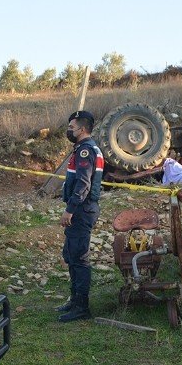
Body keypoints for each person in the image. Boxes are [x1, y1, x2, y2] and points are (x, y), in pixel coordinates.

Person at [56, 110, 103, 322]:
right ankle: (74, 300)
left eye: (71, 128)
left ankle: (82, 307)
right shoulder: (83, 149)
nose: (69, 131)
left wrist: (70, 210)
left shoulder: (86, 151)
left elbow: (83, 185)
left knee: (79, 259)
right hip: (81, 210)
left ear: (82, 129)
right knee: (72, 256)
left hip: (82, 211)